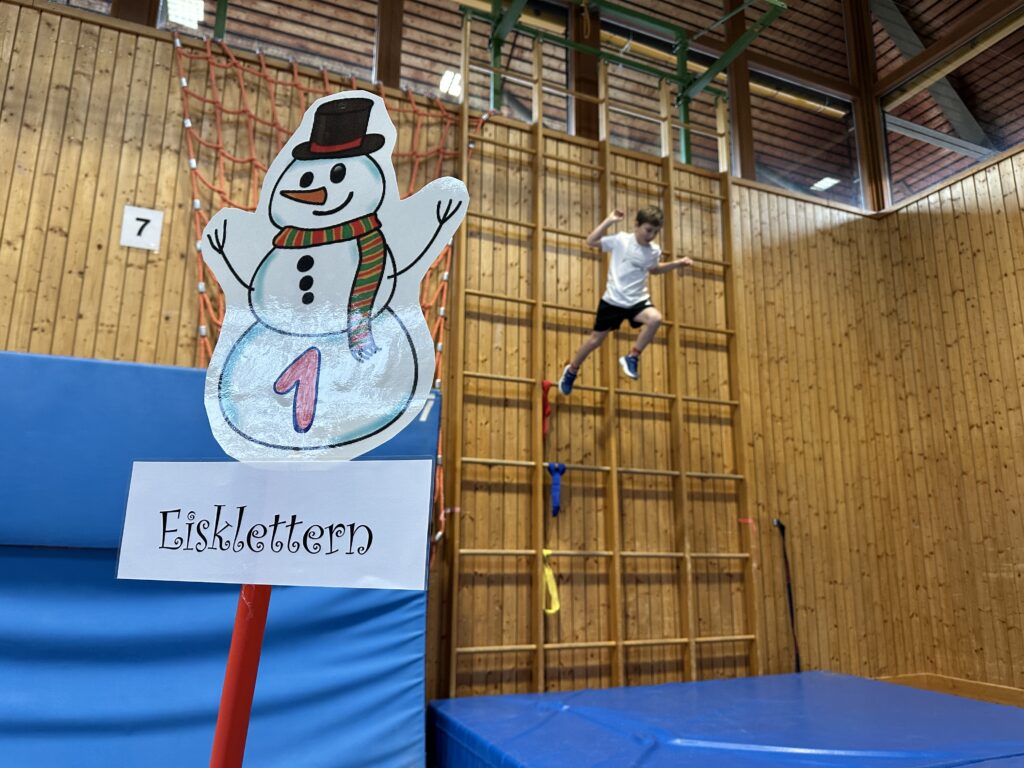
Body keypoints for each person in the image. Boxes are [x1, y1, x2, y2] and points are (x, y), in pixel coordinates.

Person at [558, 206, 692, 396]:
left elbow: (654, 270)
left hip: (637, 300)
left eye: (655, 232)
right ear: (636, 225)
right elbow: (591, 241)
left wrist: (676, 264)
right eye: (648, 230)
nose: (651, 235)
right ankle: (571, 370)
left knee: (655, 318)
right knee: (595, 340)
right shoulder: (621, 240)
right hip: (613, 300)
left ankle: (632, 356)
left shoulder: (654, 250)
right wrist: (609, 220)